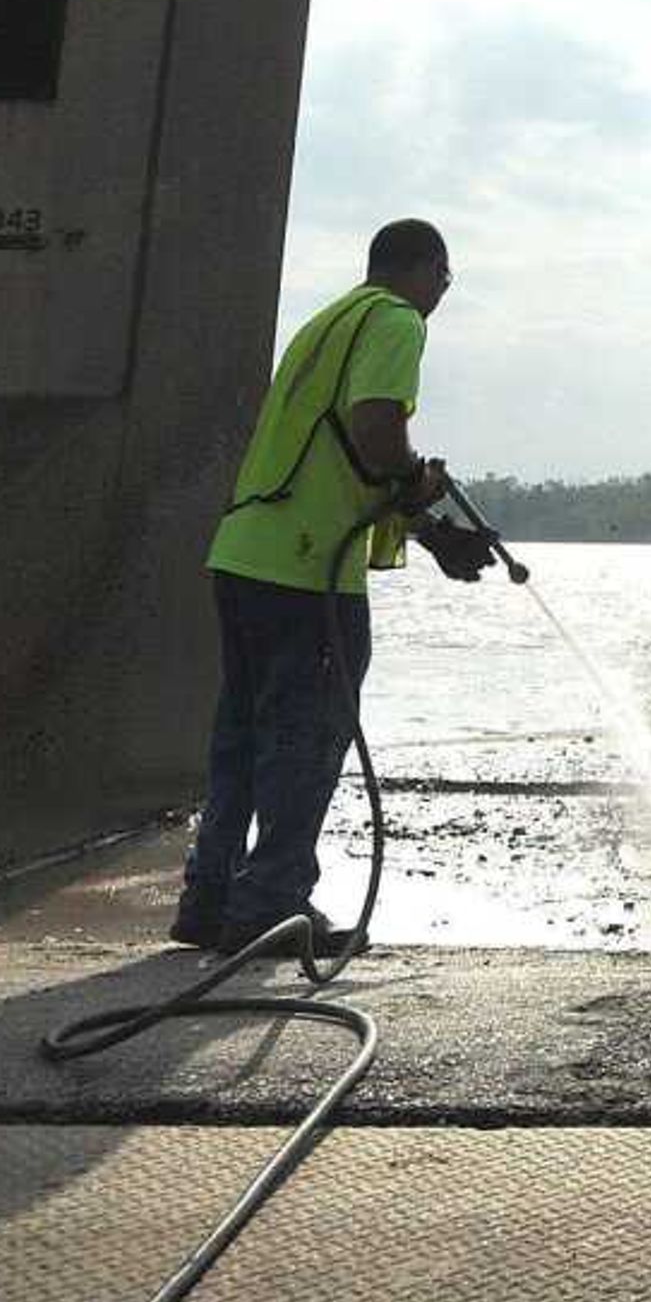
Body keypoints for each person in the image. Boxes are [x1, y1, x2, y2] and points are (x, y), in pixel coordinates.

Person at [174, 218, 457, 954]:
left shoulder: (327, 322)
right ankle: (271, 904)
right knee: (306, 739)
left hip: (243, 555)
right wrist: (416, 481)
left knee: (240, 737)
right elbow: (372, 430)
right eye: (444, 279)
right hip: (305, 571)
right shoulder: (396, 320)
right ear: (422, 270)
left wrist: (423, 526)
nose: (443, 295)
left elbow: (333, 449)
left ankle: (211, 899)